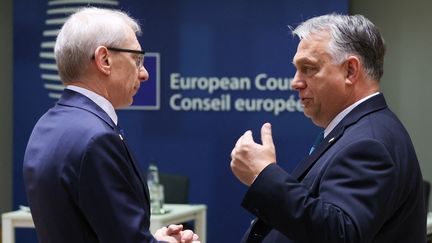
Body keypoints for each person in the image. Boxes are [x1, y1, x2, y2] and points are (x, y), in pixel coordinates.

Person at [230, 13, 426, 243]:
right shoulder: (357, 130)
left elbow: (338, 234)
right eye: (296, 69)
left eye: (308, 68)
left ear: (350, 71)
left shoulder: (369, 143)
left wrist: (263, 175)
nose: (295, 82)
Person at [23, 7, 200, 243]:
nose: (144, 73)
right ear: (104, 60)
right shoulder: (96, 138)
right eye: (137, 60)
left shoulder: (47, 125)